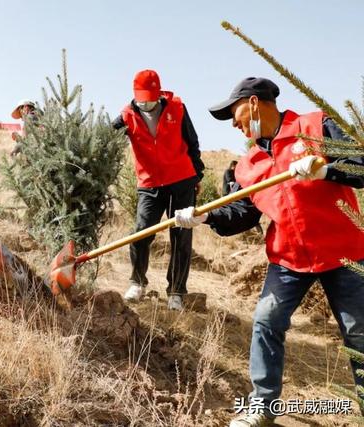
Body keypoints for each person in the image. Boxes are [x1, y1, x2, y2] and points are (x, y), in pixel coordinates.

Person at [174, 77, 364, 427]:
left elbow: (361, 165)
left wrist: (326, 170)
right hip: (289, 258)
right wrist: (204, 217)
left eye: (235, 113)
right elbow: (242, 216)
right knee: (266, 321)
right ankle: (263, 407)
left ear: (255, 103)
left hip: (344, 252)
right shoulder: (248, 164)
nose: (234, 123)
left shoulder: (316, 125)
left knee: (359, 332)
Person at [113, 69, 205, 309]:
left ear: (159, 93)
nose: (147, 103)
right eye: (142, 98)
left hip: (181, 178)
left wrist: (198, 175)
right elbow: (106, 140)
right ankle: (137, 282)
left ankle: (176, 292)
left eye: (151, 98)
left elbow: (192, 140)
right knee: (141, 232)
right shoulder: (126, 115)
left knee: (181, 235)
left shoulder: (177, 107)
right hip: (150, 183)